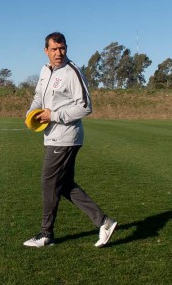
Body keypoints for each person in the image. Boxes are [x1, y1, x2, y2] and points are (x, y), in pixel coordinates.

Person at [23, 32, 117, 248]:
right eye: (54, 49)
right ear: (45, 50)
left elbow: (85, 106)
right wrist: (31, 113)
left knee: (48, 182)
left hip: (66, 138)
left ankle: (46, 234)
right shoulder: (45, 71)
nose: (58, 53)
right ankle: (104, 222)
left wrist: (53, 115)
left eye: (62, 48)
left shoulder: (72, 72)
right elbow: (39, 96)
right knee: (64, 185)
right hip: (52, 136)